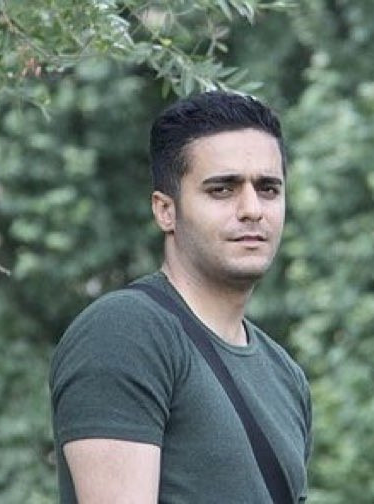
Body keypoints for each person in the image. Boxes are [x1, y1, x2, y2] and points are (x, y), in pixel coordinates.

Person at [49, 91, 312, 503]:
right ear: (165, 210)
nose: (252, 209)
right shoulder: (126, 332)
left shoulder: (285, 375)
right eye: (222, 189)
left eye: (268, 189)